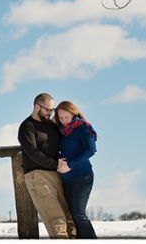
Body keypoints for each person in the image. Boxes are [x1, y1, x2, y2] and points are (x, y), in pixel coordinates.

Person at [17, 93, 77, 239]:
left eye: (52, 110)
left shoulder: (52, 126)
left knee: (69, 221)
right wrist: (55, 164)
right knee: (57, 221)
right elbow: (33, 153)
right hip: (37, 176)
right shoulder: (27, 127)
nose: (50, 113)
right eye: (47, 110)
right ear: (37, 106)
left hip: (56, 175)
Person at [54, 100, 98, 239]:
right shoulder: (62, 131)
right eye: (60, 118)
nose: (64, 121)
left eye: (66, 117)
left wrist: (70, 164)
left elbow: (91, 150)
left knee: (79, 214)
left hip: (82, 176)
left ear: (74, 114)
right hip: (66, 179)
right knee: (71, 215)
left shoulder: (82, 128)